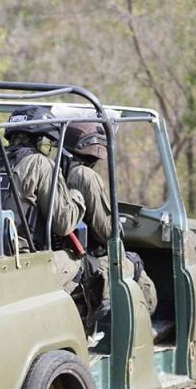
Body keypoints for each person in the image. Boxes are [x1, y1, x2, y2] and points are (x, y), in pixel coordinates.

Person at [0, 105, 85, 292]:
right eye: (48, 144)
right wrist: (76, 196)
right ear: (40, 140)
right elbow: (63, 224)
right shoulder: (40, 163)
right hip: (20, 261)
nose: (48, 150)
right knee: (76, 261)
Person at [63, 121, 158, 318]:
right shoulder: (85, 175)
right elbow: (106, 231)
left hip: (65, 255)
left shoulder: (53, 169)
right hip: (86, 259)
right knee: (134, 263)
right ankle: (144, 330)